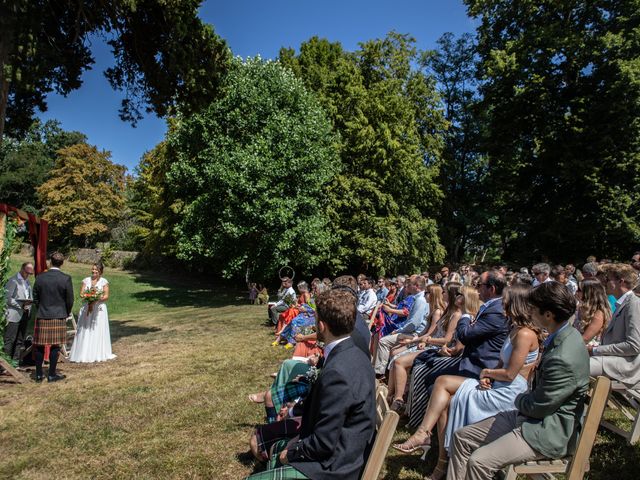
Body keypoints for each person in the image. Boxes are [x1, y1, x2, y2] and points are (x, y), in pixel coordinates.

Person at [393, 285, 540, 480]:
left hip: (509, 393)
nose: (502, 303)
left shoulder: (525, 334)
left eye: (505, 300)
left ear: (516, 304)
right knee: (444, 399)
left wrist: (487, 372)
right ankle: (440, 462)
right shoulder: (515, 328)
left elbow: (510, 374)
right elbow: (502, 362)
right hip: (497, 383)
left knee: (443, 383)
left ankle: (425, 437)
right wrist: (488, 377)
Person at [447, 281, 590, 480]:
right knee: (461, 437)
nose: (530, 312)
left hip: (546, 430)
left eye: (534, 308)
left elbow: (539, 406)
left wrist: (518, 397)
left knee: (479, 461)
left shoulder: (563, 356)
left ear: (548, 314)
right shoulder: (563, 335)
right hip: (530, 415)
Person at [246, 288, 376, 480]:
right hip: (342, 451)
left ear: (322, 326)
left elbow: (323, 443)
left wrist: (290, 453)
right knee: (273, 448)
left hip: (334, 467)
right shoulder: (353, 352)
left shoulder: (338, 372)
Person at [406, 270, 509, 428]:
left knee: (433, 380)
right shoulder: (491, 307)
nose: (476, 288)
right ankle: (423, 427)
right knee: (427, 375)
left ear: (492, 289)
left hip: (480, 367)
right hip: (469, 360)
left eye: (479, 285)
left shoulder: (496, 310)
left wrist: (465, 313)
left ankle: (426, 431)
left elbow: (465, 335)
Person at [589, 263, 640, 388]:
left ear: (621, 281)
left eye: (608, 279)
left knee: (575, 367)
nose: (605, 283)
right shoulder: (622, 303)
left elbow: (634, 346)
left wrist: (595, 350)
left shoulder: (633, 304)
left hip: (628, 365)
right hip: (614, 359)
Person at [374, 275, 428, 377]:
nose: (407, 286)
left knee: (383, 341)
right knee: (382, 336)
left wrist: (399, 330)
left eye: (410, 284)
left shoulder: (420, 300)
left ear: (416, 286)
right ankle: (381, 370)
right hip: (409, 331)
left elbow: (413, 324)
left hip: (413, 334)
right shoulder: (416, 298)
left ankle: (379, 372)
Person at [32, 252, 74, 382]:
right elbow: (70, 300)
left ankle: (38, 374)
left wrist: (41, 308)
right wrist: (65, 312)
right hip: (58, 315)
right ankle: (51, 374)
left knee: (39, 345)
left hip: (43, 314)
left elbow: (35, 297)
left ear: (50, 262)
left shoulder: (40, 277)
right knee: (55, 346)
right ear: (62, 263)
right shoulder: (65, 278)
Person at [69, 262, 116, 363]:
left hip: (98, 309)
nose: (94, 271)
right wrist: (88, 297)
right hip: (86, 308)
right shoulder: (86, 280)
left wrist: (96, 299)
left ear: (100, 272)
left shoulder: (104, 281)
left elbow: (106, 296)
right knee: (84, 328)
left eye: (96, 270)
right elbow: (81, 294)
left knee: (97, 329)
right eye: (93, 269)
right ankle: (82, 352)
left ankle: (97, 352)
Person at [4, 262, 34, 361]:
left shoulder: (28, 283)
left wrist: (29, 305)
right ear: (22, 269)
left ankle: (15, 362)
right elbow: (7, 298)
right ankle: (5, 364)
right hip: (13, 314)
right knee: (10, 339)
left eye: (30, 274)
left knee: (20, 339)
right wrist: (20, 305)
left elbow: (29, 297)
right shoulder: (13, 281)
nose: (28, 275)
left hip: (25, 314)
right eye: (27, 272)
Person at [574, 279, 611, 344]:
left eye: (579, 290)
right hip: (575, 343)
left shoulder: (598, 313)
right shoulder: (581, 308)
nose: (576, 292)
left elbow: (585, 339)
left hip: (587, 349)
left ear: (589, 293)